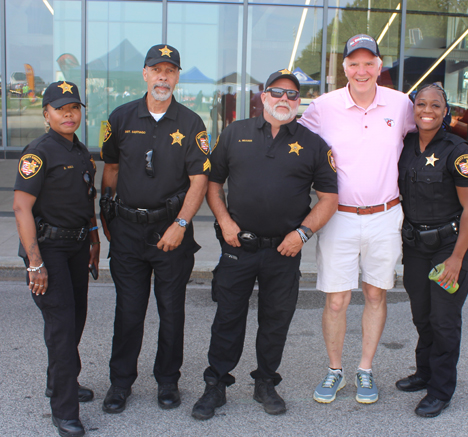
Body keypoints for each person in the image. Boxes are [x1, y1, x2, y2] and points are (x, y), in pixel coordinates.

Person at [191, 69, 338, 420]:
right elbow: (214, 182)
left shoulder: (313, 143)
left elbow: (329, 198)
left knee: (275, 321)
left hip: (283, 251)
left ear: (298, 101)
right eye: (276, 92)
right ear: (263, 96)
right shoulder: (235, 132)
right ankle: (216, 385)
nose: (283, 99)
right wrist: (225, 222)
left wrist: (301, 234)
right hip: (237, 246)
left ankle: (265, 383)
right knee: (228, 318)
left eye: (291, 95)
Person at [298, 34, 415, 404]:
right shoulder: (323, 106)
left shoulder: (400, 105)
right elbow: (293, 144)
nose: (361, 70)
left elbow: (428, 135)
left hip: (386, 215)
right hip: (339, 218)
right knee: (335, 301)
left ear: (380, 66)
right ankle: (335, 371)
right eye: (354, 63)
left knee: (376, 293)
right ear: (344, 67)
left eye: (369, 63)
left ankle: (365, 370)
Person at [100, 44, 209, 414]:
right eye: (156, 69)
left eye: (170, 70)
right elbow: (110, 170)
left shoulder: (192, 123)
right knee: (128, 311)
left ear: (177, 77)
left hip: (170, 232)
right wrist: (107, 219)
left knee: (171, 311)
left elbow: (199, 181)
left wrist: (180, 224)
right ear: (144, 74)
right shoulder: (119, 117)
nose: (163, 76)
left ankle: (167, 380)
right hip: (128, 231)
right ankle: (120, 383)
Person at [13, 81, 99, 437]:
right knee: (62, 328)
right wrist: (35, 262)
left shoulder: (80, 151)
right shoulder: (38, 152)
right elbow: (21, 207)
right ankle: (64, 410)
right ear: (46, 113)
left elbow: (86, 198)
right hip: (47, 249)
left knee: (75, 320)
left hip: (77, 247)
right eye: (61, 108)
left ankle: (58, 380)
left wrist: (94, 239)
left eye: (75, 108)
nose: (69, 114)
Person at [396, 83, 468, 417]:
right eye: (421, 104)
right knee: (422, 315)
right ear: (413, 109)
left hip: (451, 246)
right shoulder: (405, 145)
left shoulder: (459, 153)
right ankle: (425, 372)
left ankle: (441, 389)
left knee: (444, 319)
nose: (427, 110)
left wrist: (457, 259)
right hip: (417, 246)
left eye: (435, 105)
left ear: (446, 112)